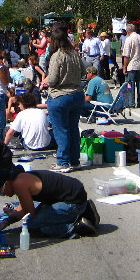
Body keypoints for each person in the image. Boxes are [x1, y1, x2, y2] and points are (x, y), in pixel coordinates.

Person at [0, 165, 99, 238]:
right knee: (35, 220)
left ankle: (76, 226)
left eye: (1, 192)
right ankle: (84, 210)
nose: (4, 195)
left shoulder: (19, 184)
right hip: (72, 195)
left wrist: (12, 214)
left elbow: (29, 214)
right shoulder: (19, 178)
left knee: (32, 225)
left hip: (73, 201)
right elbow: (24, 205)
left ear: (6, 183)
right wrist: (6, 222)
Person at [44, 26, 86, 173]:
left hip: (59, 96)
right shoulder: (74, 54)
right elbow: (83, 71)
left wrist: (46, 82)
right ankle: (75, 161)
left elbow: (53, 79)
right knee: (73, 129)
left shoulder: (57, 56)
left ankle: (63, 161)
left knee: (61, 130)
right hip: (77, 94)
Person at [122, 24, 140, 108]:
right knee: (139, 84)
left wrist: (124, 67)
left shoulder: (129, 39)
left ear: (128, 31)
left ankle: (131, 102)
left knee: (130, 84)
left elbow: (126, 55)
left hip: (132, 65)